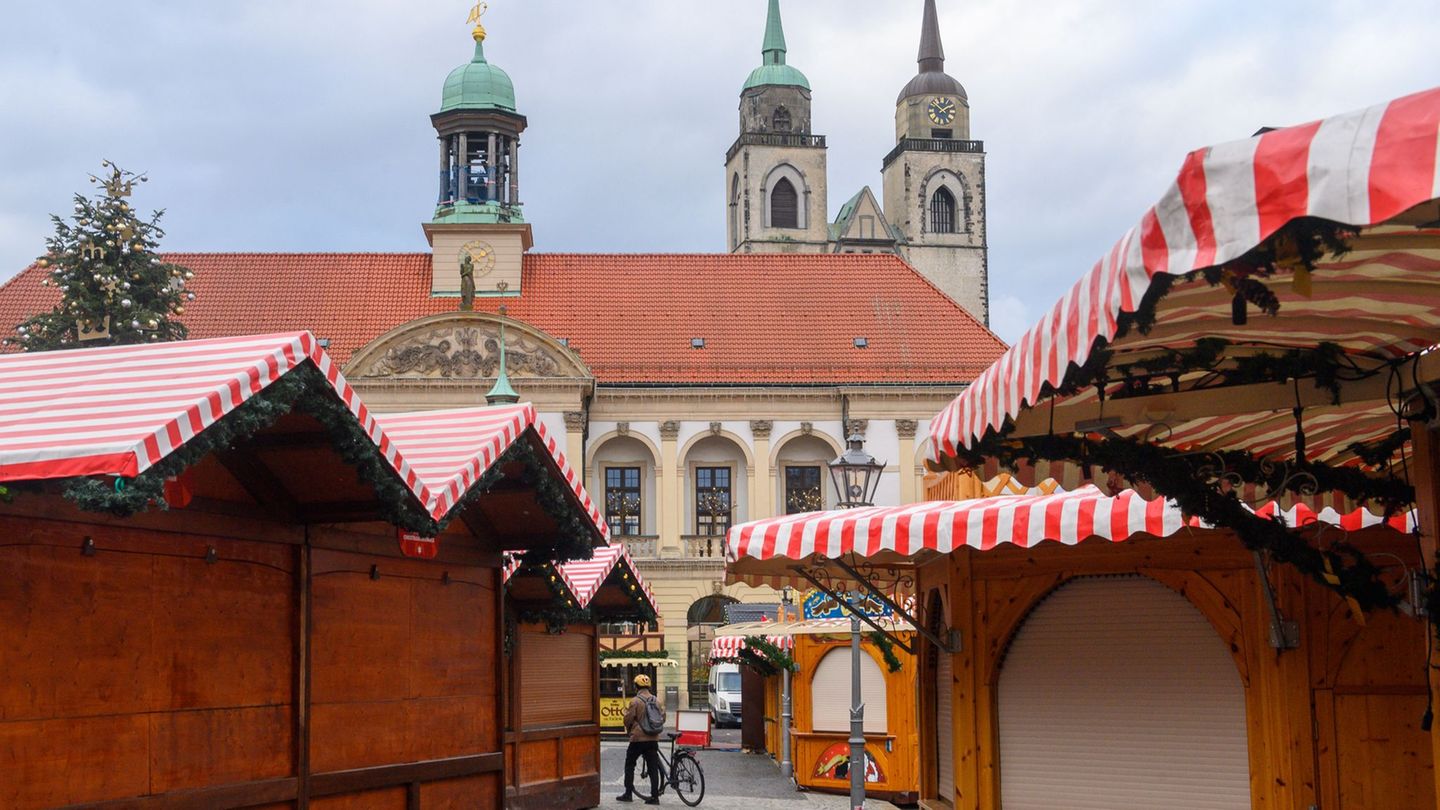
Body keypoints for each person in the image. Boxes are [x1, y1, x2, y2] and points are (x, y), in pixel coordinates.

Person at [617, 673, 664, 804]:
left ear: (636, 686)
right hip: (653, 738)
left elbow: (628, 719)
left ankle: (628, 793)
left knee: (630, 764)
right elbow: (663, 718)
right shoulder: (656, 700)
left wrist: (629, 728)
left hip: (638, 738)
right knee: (653, 767)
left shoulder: (635, 701)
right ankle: (655, 797)